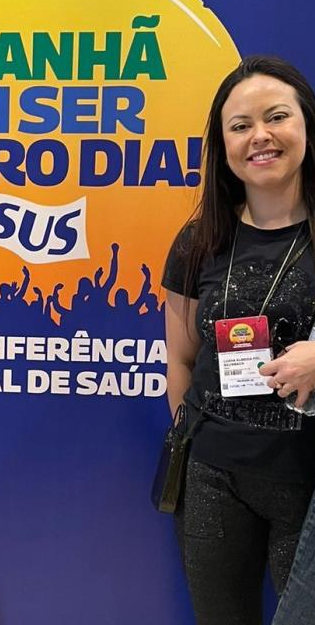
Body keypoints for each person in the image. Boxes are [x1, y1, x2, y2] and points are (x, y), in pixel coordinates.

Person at [162, 56, 315, 624]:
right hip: (214, 480)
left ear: (306, 125)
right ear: (222, 145)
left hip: (307, 481)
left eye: (277, 117)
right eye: (240, 125)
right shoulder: (200, 239)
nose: (260, 137)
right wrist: (193, 443)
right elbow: (181, 359)